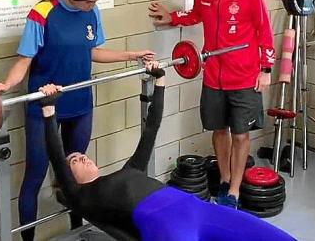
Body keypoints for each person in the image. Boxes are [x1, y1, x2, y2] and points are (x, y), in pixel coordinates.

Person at [38, 62, 295, 241]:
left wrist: (160, 82)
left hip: (198, 210)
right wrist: (49, 110)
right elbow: (55, 152)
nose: (81, 156)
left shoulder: (130, 170)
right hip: (164, 225)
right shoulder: (82, 196)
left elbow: (151, 129)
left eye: (80, 154)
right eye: (74, 162)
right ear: (67, 180)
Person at [0, 0, 155, 241]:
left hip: (80, 103)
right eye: (90, 0)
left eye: (96, 0)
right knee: (35, 176)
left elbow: (93, 52)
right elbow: (24, 60)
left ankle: (76, 230)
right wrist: (6, 85)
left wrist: (131, 55)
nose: (93, 5)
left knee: (75, 177)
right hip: (44, 107)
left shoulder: (91, 12)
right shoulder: (43, 13)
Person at [148, 0, 275, 208]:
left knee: (240, 135)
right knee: (219, 130)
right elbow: (197, 14)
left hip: (244, 76)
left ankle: (235, 192)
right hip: (214, 75)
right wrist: (173, 17)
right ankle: (226, 180)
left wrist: (266, 69)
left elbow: (265, 31)